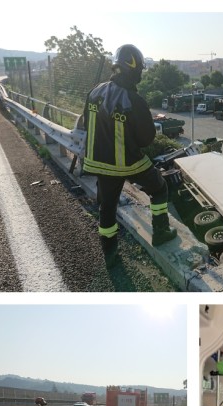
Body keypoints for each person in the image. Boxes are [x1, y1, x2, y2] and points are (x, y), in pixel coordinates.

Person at [81, 44, 177, 261]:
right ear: (133, 69)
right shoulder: (134, 100)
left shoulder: (95, 92)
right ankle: (161, 232)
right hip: (128, 163)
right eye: (140, 69)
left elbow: (87, 124)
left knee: (107, 206)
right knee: (159, 187)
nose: (141, 74)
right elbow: (146, 139)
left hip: (98, 162)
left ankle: (110, 254)